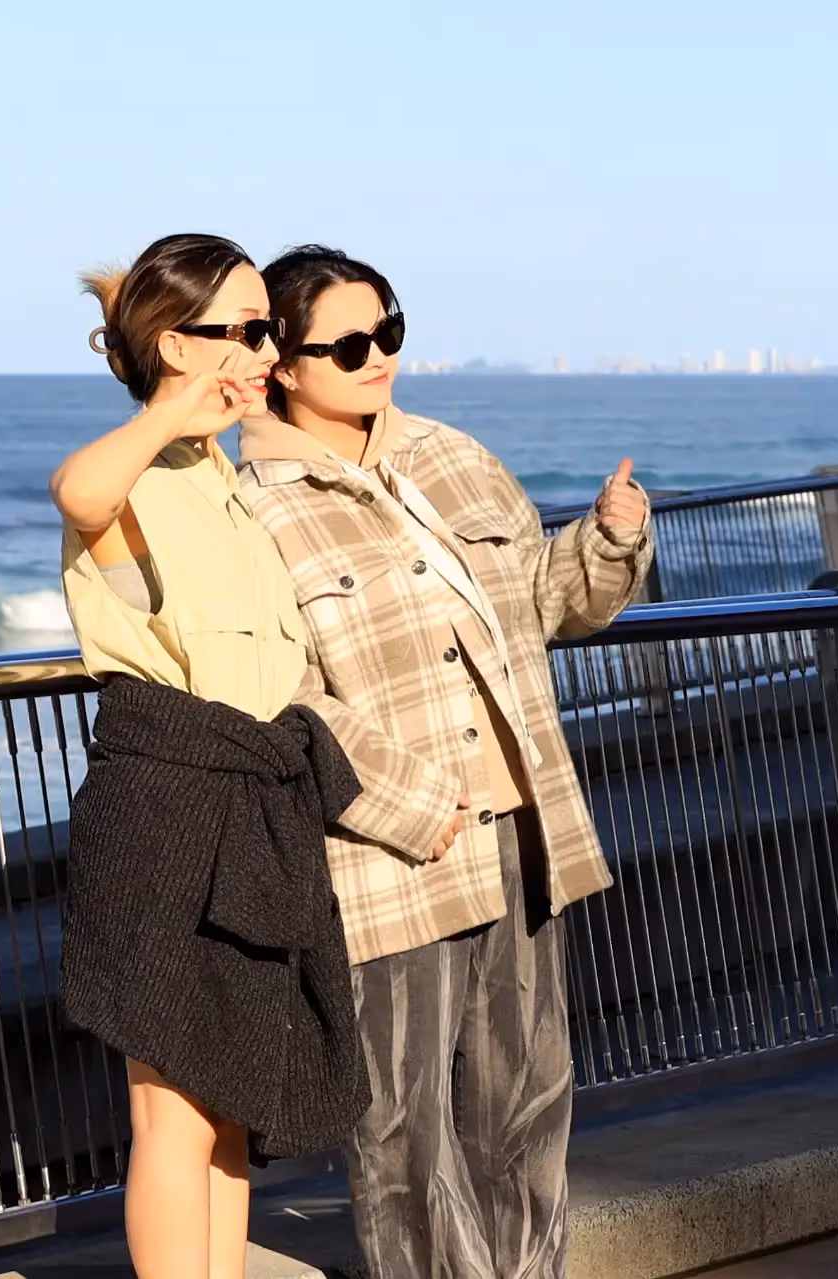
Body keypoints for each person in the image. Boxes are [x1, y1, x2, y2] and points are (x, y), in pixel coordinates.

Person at [237, 244, 653, 1278]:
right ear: (284, 362)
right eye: (347, 344)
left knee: (528, 1099)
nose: (377, 356)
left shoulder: (454, 457)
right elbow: (281, 693)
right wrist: (414, 800)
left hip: (521, 829)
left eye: (389, 330)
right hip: (389, 853)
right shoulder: (255, 507)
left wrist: (607, 542)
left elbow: (544, 605)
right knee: (401, 1125)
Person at [51, 233, 368, 1279]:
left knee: (231, 1104)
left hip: (248, 813)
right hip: (165, 812)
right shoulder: (138, 471)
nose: (266, 352)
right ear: (175, 344)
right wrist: (167, 411)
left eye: (267, 331)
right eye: (246, 330)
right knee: (174, 1110)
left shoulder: (224, 481)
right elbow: (78, 492)